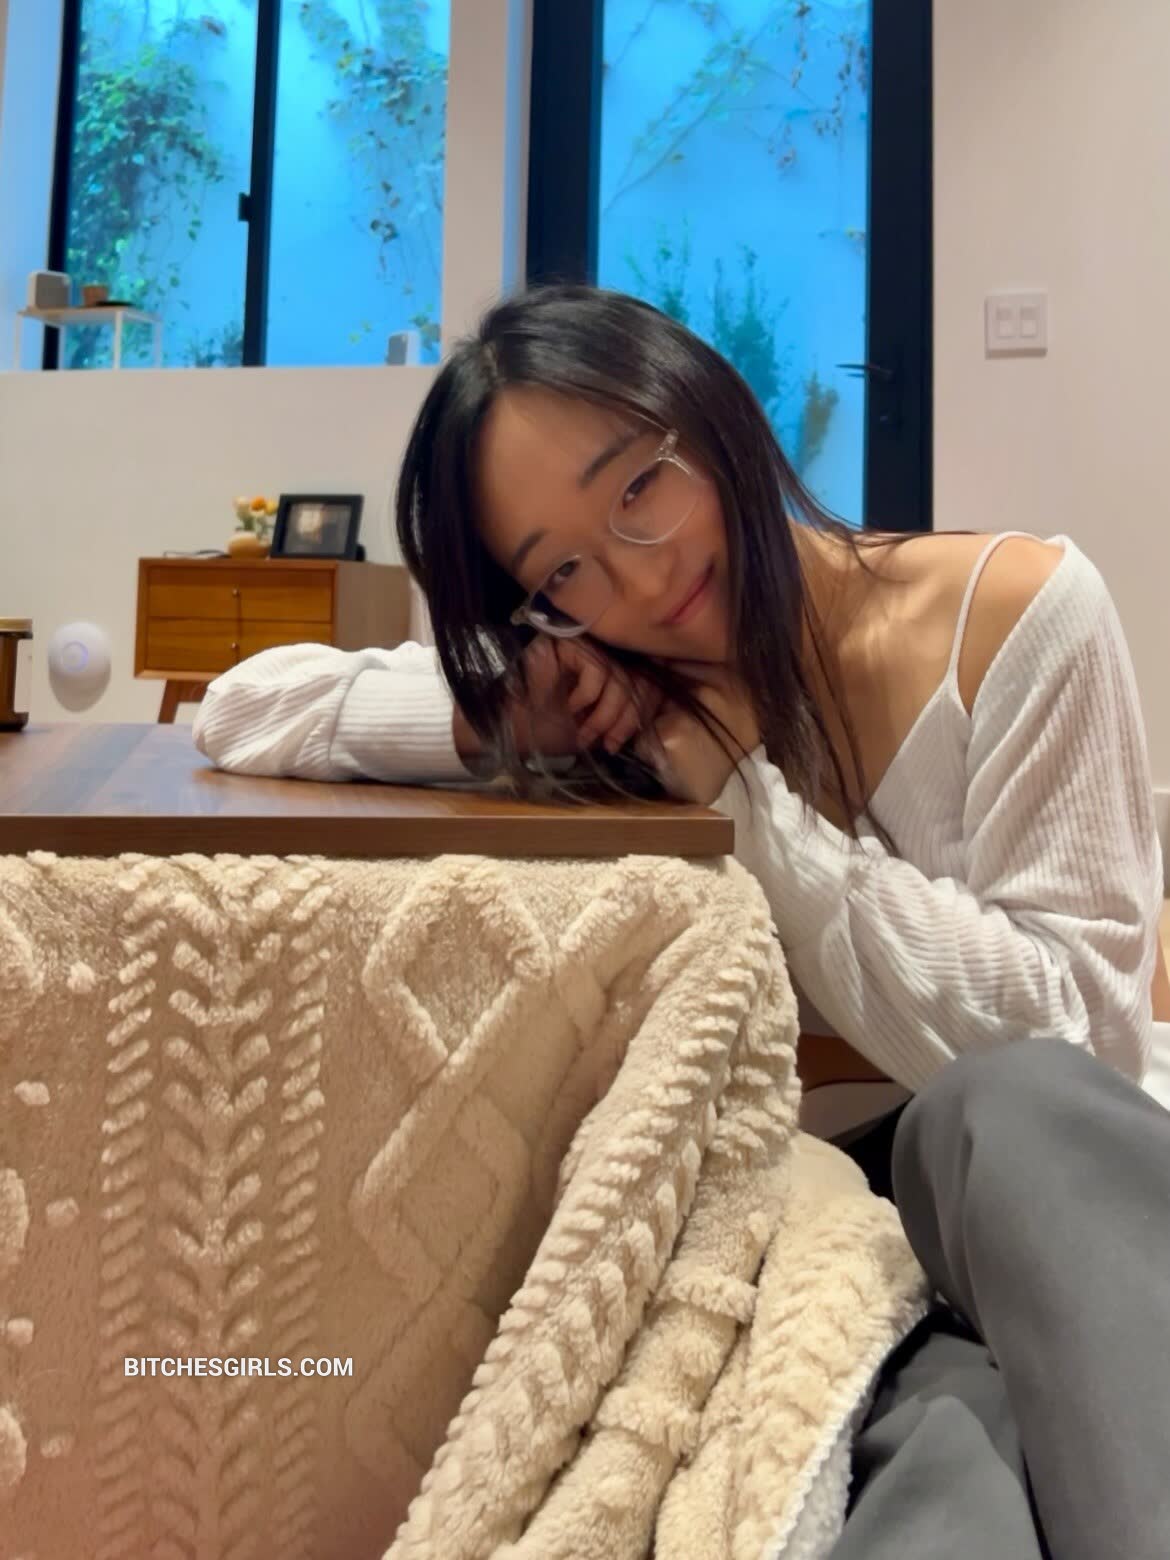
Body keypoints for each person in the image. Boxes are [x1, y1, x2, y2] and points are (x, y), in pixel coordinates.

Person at [193, 285, 1170, 1555]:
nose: (641, 576)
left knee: (1007, 1105)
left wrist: (750, 804)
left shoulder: (1016, 617)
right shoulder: (616, 703)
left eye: (641, 485)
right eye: (562, 571)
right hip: (822, 1224)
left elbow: (1079, 1047)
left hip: (1036, 1195)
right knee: (929, 1459)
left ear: (706, 413)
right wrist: (503, 717)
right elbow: (243, 707)